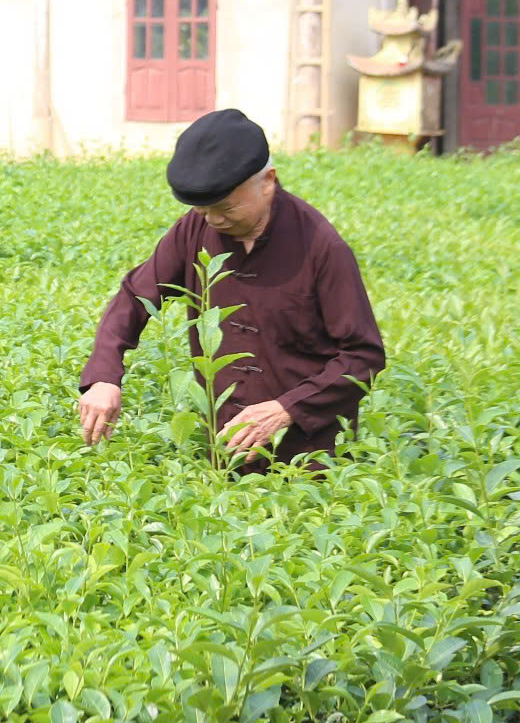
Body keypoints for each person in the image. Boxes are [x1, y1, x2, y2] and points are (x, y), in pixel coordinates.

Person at [77, 109, 385, 468]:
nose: (214, 221)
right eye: (203, 210)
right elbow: (136, 296)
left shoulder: (321, 247)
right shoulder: (193, 230)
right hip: (226, 455)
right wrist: (103, 376)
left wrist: (287, 409)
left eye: (225, 207)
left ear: (268, 181)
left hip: (311, 461)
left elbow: (363, 357)